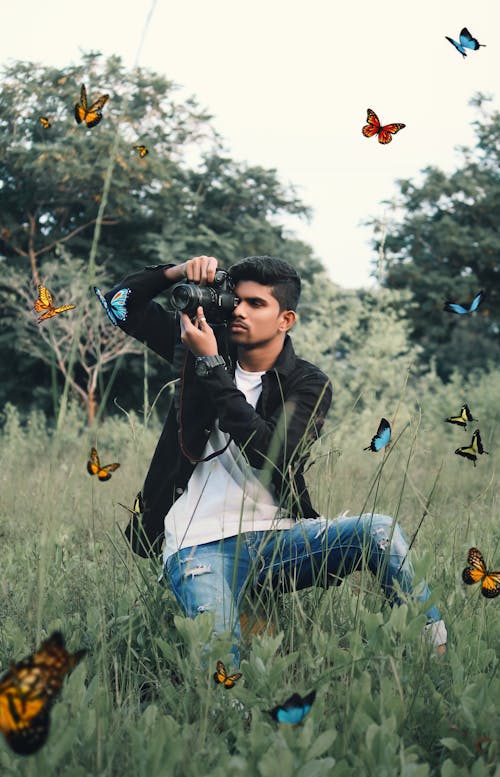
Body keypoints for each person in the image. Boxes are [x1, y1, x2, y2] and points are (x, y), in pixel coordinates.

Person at [102, 254, 446, 665]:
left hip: (279, 541)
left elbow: (270, 455)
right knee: (221, 665)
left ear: (286, 319)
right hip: (196, 546)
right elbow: (119, 303)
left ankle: (434, 656)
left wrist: (212, 366)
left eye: (256, 304)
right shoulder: (200, 343)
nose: (239, 312)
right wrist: (177, 272)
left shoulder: (307, 382)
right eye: (235, 301)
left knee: (380, 531)